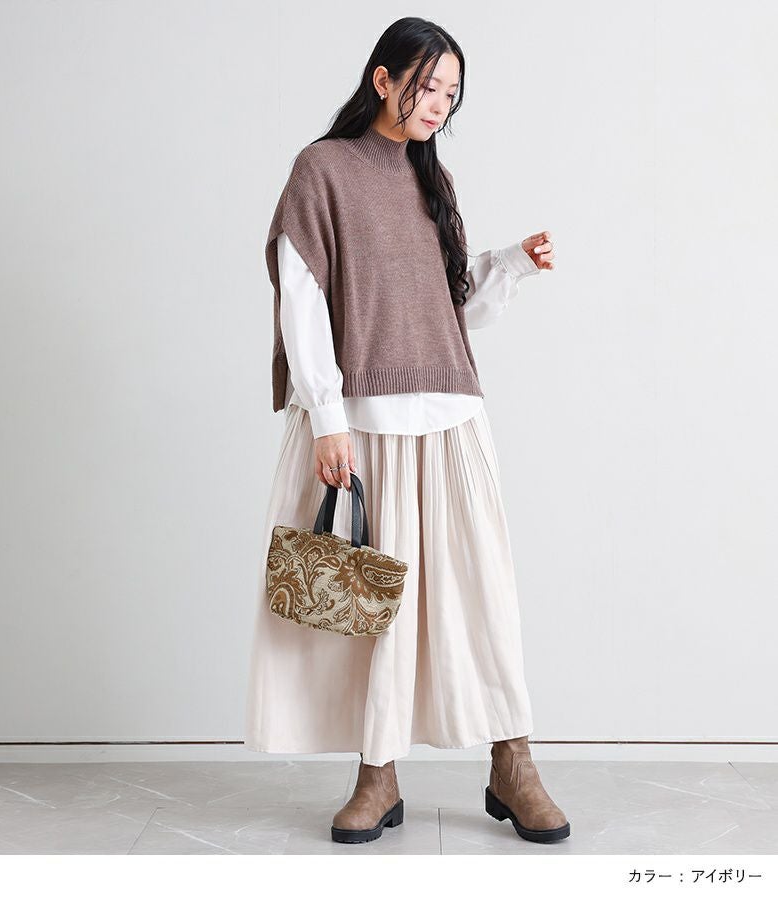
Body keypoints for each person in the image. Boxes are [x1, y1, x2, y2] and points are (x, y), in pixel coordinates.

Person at [244, 16, 570, 845]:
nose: (439, 104)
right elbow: (301, 299)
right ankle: (377, 775)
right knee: (377, 611)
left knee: (482, 599)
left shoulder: (434, 179)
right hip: (364, 423)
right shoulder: (322, 170)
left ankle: (513, 763)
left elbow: (447, 311)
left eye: (452, 94)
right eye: (427, 85)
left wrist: (511, 265)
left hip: (452, 418)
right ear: (383, 78)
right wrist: (327, 417)